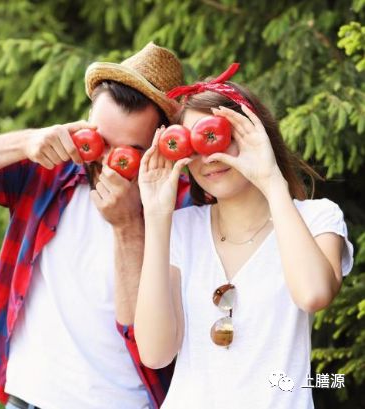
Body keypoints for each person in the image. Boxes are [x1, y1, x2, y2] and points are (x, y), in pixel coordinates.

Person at [0, 42, 191, 409]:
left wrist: (128, 227)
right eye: (98, 139)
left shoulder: (182, 206)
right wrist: (25, 142)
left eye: (126, 151)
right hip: (27, 398)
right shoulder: (51, 172)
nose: (103, 159)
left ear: (162, 143)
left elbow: (151, 345)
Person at [133, 64, 354, 409]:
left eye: (223, 135)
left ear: (257, 137)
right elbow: (155, 352)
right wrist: (157, 217)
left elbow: (313, 294)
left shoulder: (316, 218)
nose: (210, 154)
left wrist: (270, 180)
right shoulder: (181, 228)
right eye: (195, 144)